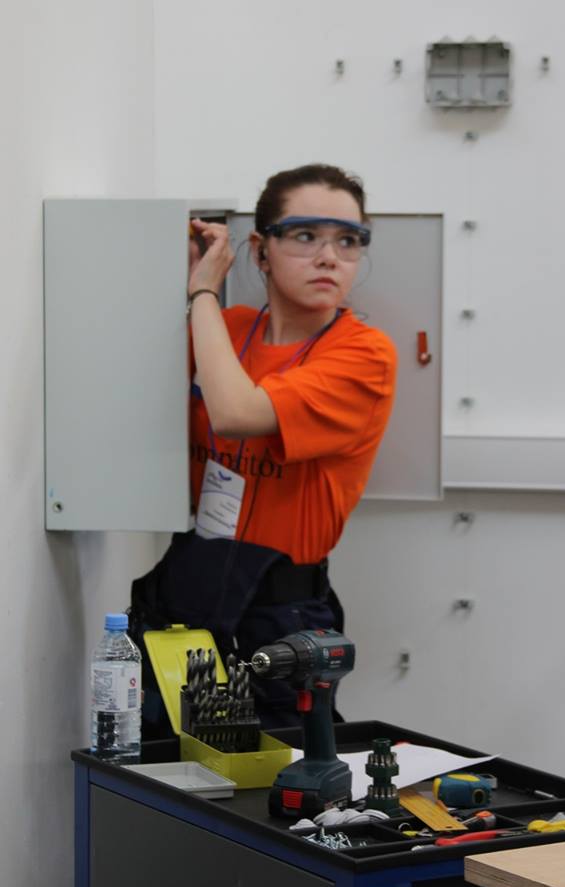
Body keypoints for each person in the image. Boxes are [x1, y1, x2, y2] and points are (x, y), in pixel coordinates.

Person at [130, 163, 397, 735]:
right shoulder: (226, 329)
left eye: (348, 241)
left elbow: (235, 414)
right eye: (305, 235)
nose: (329, 257)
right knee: (184, 759)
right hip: (194, 595)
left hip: (281, 618)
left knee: (276, 772)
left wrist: (202, 290)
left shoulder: (364, 355)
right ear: (260, 250)